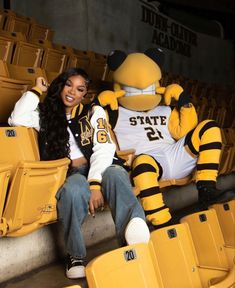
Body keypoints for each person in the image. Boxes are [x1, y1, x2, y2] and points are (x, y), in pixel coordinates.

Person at [8, 67, 150, 279]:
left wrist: (94, 184)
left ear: (85, 94)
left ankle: (133, 236)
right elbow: (16, 118)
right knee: (72, 191)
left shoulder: (95, 112)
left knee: (117, 175)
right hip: (71, 173)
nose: (72, 92)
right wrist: (37, 90)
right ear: (61, 85)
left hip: (101, 166)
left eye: (80, 89)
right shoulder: (46, 115)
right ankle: (74, 256)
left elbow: (104, 148)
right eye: (69, 85)